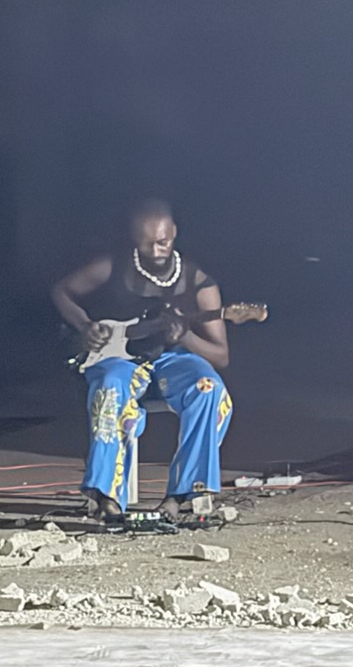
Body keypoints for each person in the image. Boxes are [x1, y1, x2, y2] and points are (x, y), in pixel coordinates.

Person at [51, 200, 233, 523]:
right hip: (121, 359)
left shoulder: (199, 282)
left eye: (163, 241)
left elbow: (220, 355)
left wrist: (185, 337)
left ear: (174, 232)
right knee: (109, 386)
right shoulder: (113, 267)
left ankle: (180, 496)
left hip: (173, 361)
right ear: (134, 239)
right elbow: (62, 291)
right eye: (147, 243)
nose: (157, 250)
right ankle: (108, 498)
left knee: (209, 388)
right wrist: (84, 325)